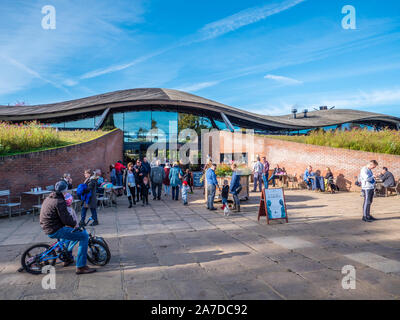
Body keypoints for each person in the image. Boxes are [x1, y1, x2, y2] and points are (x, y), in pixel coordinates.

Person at [40, 180, 96, 274]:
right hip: (54, 228)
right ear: (64, 191)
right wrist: (75, 225)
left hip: (47, 226)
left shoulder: (49, 198)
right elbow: (66, 219)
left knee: (69, 235)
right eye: (66, 191)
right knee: (83, 236)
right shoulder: (59, 201)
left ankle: (67, 258)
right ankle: (81, 266)